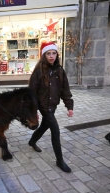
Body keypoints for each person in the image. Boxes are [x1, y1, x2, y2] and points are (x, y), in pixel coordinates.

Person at [28, 42, 74, 173]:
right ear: (44, 55)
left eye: (54, 53)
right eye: (48, 53)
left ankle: (32, 141)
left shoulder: (60, 71)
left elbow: (65, 90)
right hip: (43, 106)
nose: (51, 56)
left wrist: (69, 106)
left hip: (53, 105)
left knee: (45, 125)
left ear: (57, 55)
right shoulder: (38, 72)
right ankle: (60, 160)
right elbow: (32, 92)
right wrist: (34, 110)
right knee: (55, 130)